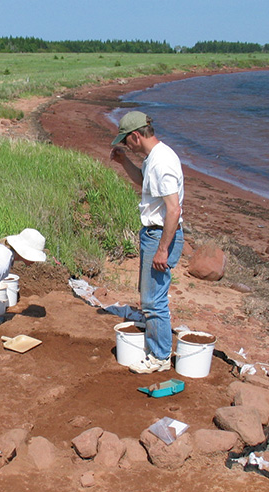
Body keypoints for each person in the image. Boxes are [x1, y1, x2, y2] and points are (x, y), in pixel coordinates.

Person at [109, 111, 184, 374]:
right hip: (152, 234)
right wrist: (124, 161)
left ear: (136, 136)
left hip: (160, 235)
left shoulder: (162, 162)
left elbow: (173, 210)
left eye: (126, 141)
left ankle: (160, 357)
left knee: (154, 301)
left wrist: (163, 249)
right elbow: (144, 182)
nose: (126, 145)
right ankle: (157, 349)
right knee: (150, 296)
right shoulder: (154, 159)